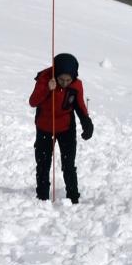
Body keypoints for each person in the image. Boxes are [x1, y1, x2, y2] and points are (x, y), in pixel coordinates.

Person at [29, 53, 93, 203]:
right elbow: (33, 102)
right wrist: (47, 88)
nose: (65, 83)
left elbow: (79, 105)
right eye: (61, 80)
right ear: (55, 75)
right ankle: (42, 196)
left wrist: (87, 123)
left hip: (66, 128)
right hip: (45, 127)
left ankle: (73, 198)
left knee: (68, 164)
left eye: (68, 80)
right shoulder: (45, 79)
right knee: (43, 163)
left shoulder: (76, 85)